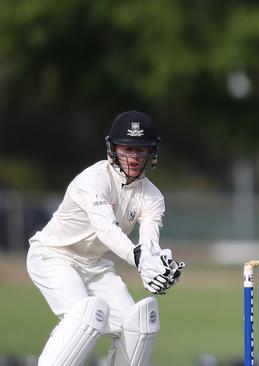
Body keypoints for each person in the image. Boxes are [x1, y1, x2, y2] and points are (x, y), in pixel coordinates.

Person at [26, 110, 185, 366]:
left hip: (95, 266)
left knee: (139, 327)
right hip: (53, 255)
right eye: (127, 149)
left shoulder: (153, 197)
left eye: (141, 150)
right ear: (113, 148)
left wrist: (155, 263)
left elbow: (148, 242)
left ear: (151, 152)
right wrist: (140, 259)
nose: (133, 157)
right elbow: (107, 230)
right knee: (87, 318)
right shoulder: (92, 180)